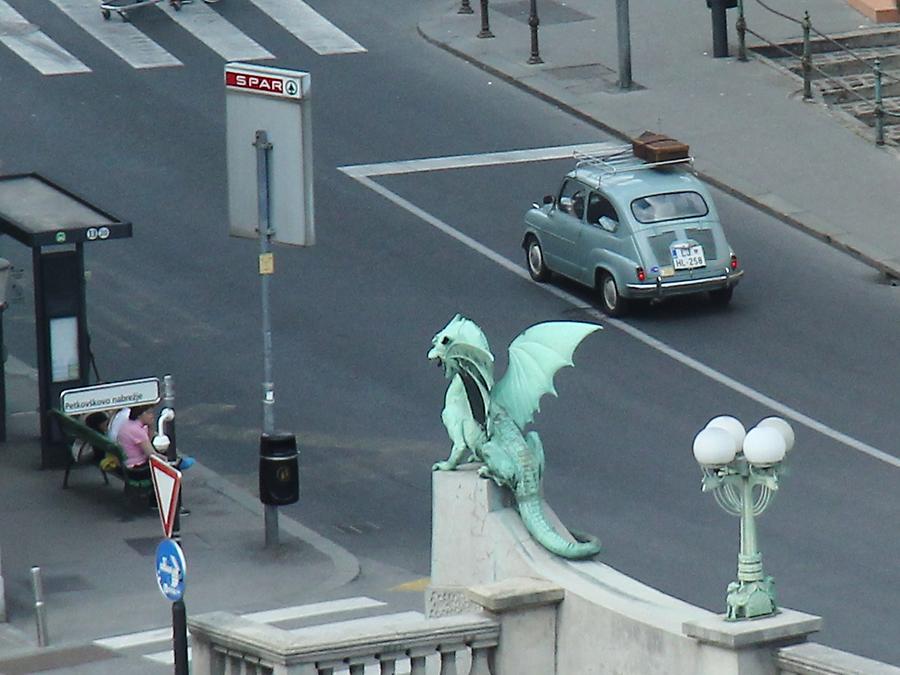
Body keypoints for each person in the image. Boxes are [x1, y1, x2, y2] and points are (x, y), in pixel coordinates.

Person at [116, 404, 195, 513]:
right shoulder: (136, 431)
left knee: (167, 459)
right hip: (138, 469)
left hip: (128, 465)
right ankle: (176, 508)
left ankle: (155, 502)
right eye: (149, 413)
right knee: (174, 469)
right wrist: (170, 461)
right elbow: (151, 454)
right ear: (140, 415)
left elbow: (148, 441)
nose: (152, 416)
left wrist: (151, 427)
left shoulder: (128, 425)